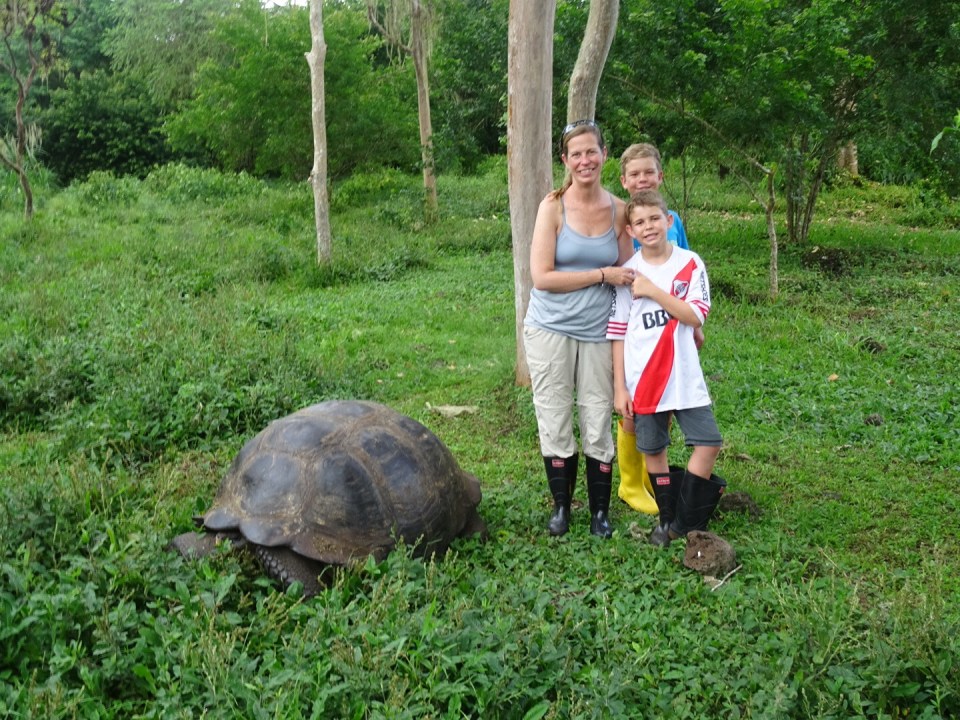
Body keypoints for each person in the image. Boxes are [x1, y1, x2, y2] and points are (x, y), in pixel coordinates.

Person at [524, 119, 637, 539]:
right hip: (549, 326)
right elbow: (543, 277)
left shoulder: (619, 209)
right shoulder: (551, 206)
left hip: (598, 329)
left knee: (596, 415)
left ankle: (600, 512)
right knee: (553, 412)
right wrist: (600, 274)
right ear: (565, 160)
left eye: (592, 151)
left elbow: (629, 273)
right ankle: (561, 507)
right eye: (577, 154)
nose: (585, 160)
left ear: (605, 155)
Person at [607, 190, 726, 547]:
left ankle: (684, 522)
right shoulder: (629, 275)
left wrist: (655, 291)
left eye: (655, 219)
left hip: (684, 375)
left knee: (708, 442)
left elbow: (695, 315)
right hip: (643, 377)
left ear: (669, 221)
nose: (649, 227)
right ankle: (666, 518)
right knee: (653, 449)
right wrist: (620, 387)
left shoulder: (690, 263)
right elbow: (617, 332)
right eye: (640, 222)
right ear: (631, 230)